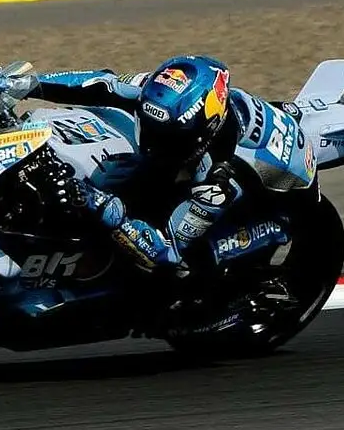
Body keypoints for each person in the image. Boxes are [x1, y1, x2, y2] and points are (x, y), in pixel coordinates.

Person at [22, 55, 316, 276]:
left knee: (180, 271)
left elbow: (166, 253)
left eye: (167, 138)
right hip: (202, 158)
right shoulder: (160, 95)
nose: (152, 142)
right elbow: (100, 84)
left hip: (263, 201)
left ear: (203, 134)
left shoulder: (220, 180)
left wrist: (100, 204)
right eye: (150, 129)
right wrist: (27, 85)